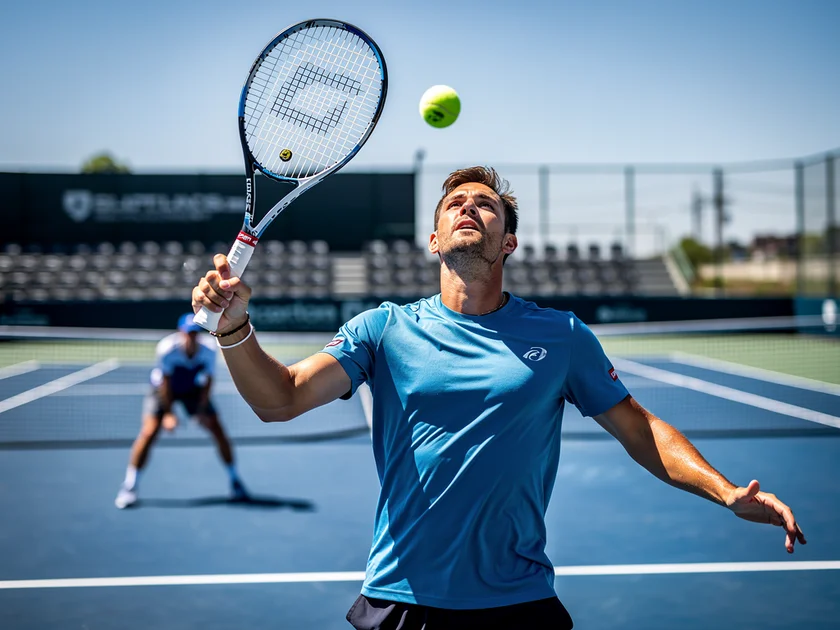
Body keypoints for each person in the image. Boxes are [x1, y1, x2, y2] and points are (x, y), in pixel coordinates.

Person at [192, 166, 805, 629]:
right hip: (401, 601)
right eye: (454, 204)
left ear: (507, 242)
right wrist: (234, 329)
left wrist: (726, 491)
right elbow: (280, 399)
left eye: (485, 205)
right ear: (434, 240)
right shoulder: (383, 329)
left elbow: (640, 429)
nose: (469, 208)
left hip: (519, 605)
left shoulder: (562, 335)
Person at [115, 313, 248, 509]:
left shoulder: (210, 349)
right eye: (188, 333)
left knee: (217, 429)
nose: (191, 337)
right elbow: (165, 384)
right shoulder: (167, 349)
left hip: (192, 390)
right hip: (163, 390)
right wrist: (169, 414)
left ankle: (235, 481)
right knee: (149, 432)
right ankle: (130, 485)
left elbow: (208, 381)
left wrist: (201, 411)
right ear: (180, 333)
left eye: (195, 334)